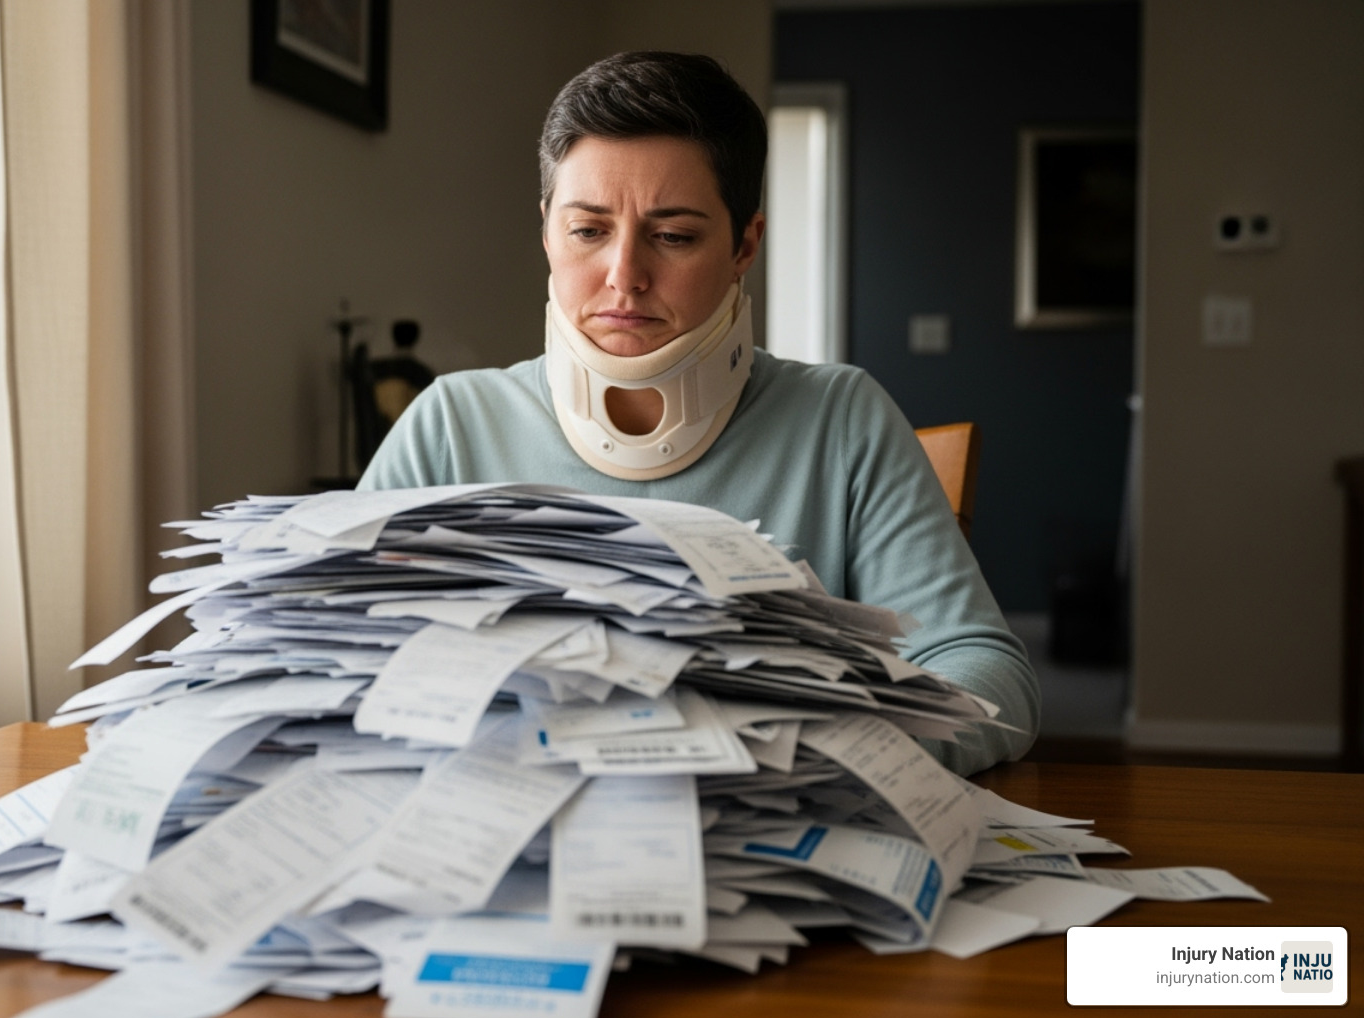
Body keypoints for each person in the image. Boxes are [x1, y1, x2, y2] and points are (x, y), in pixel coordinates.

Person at [358, 51, 1038, 776]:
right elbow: (323, 650)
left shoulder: (841, 420)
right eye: (588, 230)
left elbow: (985, 670)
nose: (625, 276)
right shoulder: (452, 426)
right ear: (548, 231)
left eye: (674, 236)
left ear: (745, 244)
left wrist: (826, 763)